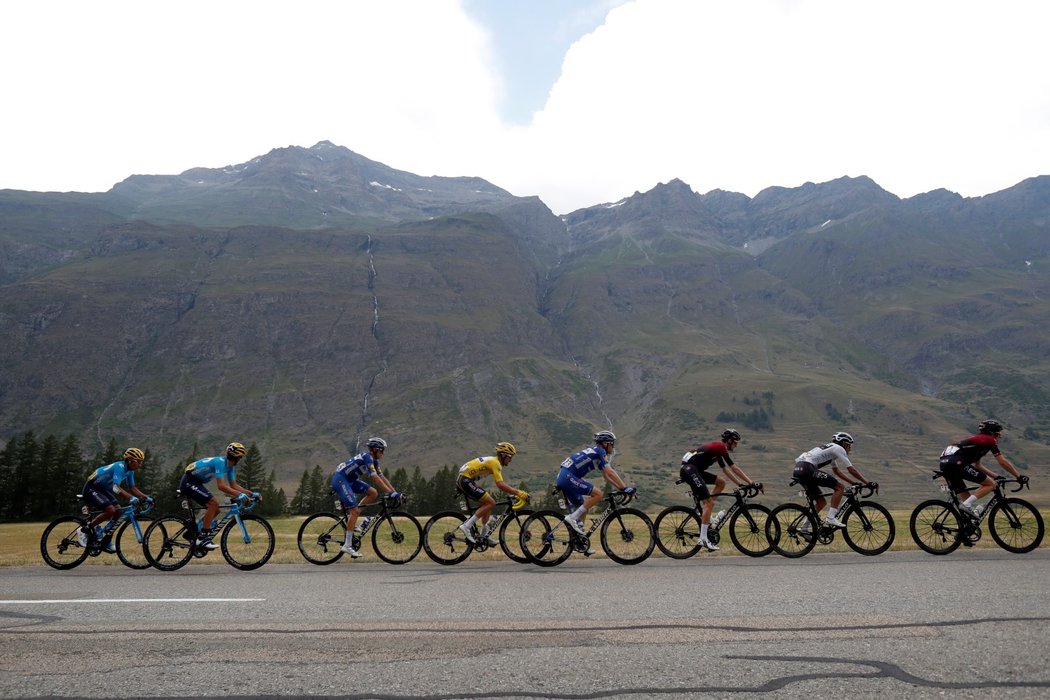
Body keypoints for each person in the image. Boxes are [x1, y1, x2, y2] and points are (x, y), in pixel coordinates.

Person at [680, 428, 762, 551]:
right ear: (729, 440)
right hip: (689, 470)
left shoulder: (717, 450)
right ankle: (703, 538)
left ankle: (708, 517)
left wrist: (740, 484)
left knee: (721, 482)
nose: (736, 445)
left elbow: (725, 471)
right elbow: (734, 468)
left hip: (694, 470)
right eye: (735, 442)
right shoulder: (720, 447)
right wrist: (751, 483)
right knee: (709, 503)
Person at [556, 431, 634, 547]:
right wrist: (625, 487)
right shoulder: (600, 451)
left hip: (564, 476)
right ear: (606, 443)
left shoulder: (596, 452)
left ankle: (580, 540)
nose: (613, 447)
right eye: (612, 444)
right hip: (568, 477)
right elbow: (610, 472)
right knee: (598, 494)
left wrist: (621, 489)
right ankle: (573, 518)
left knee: (584, 503)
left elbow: (606, 477)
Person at [330, 437, 401, 558]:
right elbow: (376, 479)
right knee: (355, 511)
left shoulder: (374, 461)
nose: (383, 453)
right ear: (375, 450)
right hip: (341, 480)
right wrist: (390, 493)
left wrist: (394, 492)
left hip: (350, 481)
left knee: (373, 493)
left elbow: (382, 478)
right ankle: (347, 545)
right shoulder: (367, 457)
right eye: (382, 451)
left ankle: (352, 517)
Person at [180, 442, 258, 550]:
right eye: (240, 457)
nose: (240, 459)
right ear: (237, 457)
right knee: (213, 503)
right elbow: (221, 486)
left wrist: (251, 494)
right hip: (189, 481)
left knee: (216, 510)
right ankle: (202, 538)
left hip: (196, 482)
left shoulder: (229, 466)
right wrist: (240, 495)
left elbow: (233, 485)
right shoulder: (220, 462)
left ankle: (191, 534)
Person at [939, 419, 1026, 517]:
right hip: (956, 463)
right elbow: (1002, 462)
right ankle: (966, 505)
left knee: (966, 496)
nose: (999, 438)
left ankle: (966, 526)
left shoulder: (979, 442)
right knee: (991, 485)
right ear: (993, 433)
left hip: (945, 464)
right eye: (999, 435)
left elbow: (978, 466)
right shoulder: (989, 440)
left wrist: (996, 476)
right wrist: (1018, 476)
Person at [793, 431, 873, 531]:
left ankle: (804, 528)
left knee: (821, 502)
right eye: (849, 445)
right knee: (839, 487)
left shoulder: (830, 450)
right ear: (844, 443)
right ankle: (831, 518)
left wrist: (853, 483)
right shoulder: (838, 448)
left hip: (799, 470)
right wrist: (868, 483)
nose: (850, 448)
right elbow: (851, 469)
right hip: (807, 469)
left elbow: (837, 472)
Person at [78, 447, 152, 551]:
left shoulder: (130, 471)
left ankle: (106, 541)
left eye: (141, 462)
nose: (140, 465)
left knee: (119, 512)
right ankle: (84, 530)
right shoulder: (120, 466)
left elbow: (132, 488)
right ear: (130, 460)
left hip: (102, 489)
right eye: (138, 462)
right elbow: (115, 487)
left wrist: (146, 498)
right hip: (92, 487)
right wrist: (131, 498)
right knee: (110, 510)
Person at [456, 442, 529, 546]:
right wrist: (519, 492)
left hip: (465, 479)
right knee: (491, 503)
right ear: (503, 455)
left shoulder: (494, 461)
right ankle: (467, 526)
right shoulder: (496, 463)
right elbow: (500, 485)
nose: (511, 459)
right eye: (510, 456)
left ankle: (484, 536)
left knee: (487, 504)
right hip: (465, 480)